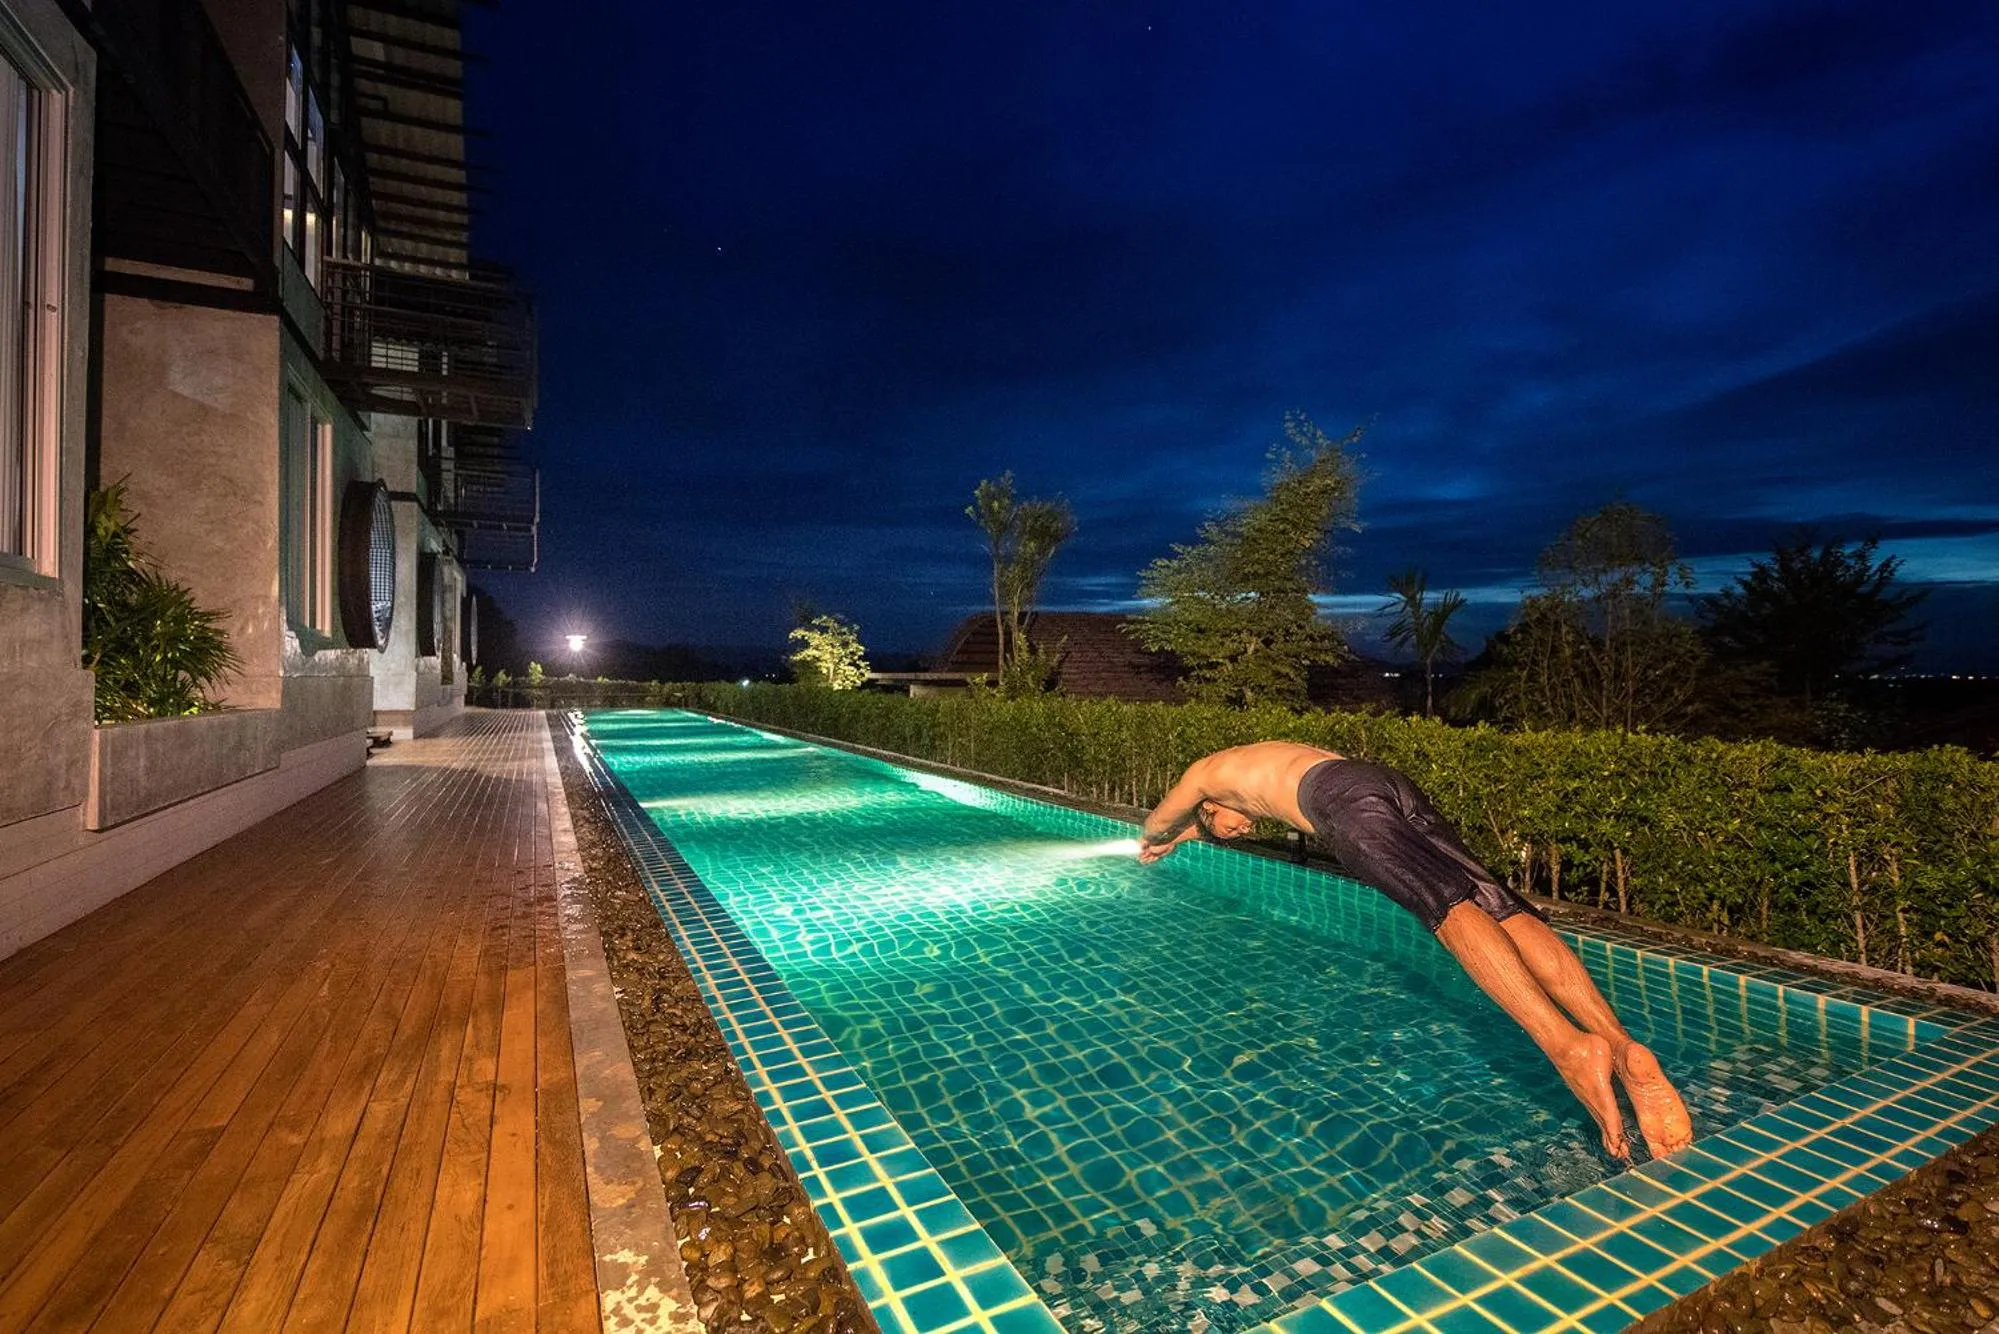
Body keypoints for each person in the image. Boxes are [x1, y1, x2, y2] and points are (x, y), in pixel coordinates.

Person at [1137, 741, 1692, 1161]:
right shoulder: (1260, 761)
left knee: (1445, 908)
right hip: (1381, 782)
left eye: (1230, 828)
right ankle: (1620, 1045)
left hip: (1341, 803)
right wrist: (1195, 837)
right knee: (1498, 902)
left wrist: (1157, 835)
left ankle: (1566, 1046)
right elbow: (1227, 820)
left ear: (1207, 805)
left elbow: (1161, 816)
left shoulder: (1203, 776)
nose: (1240, 832)